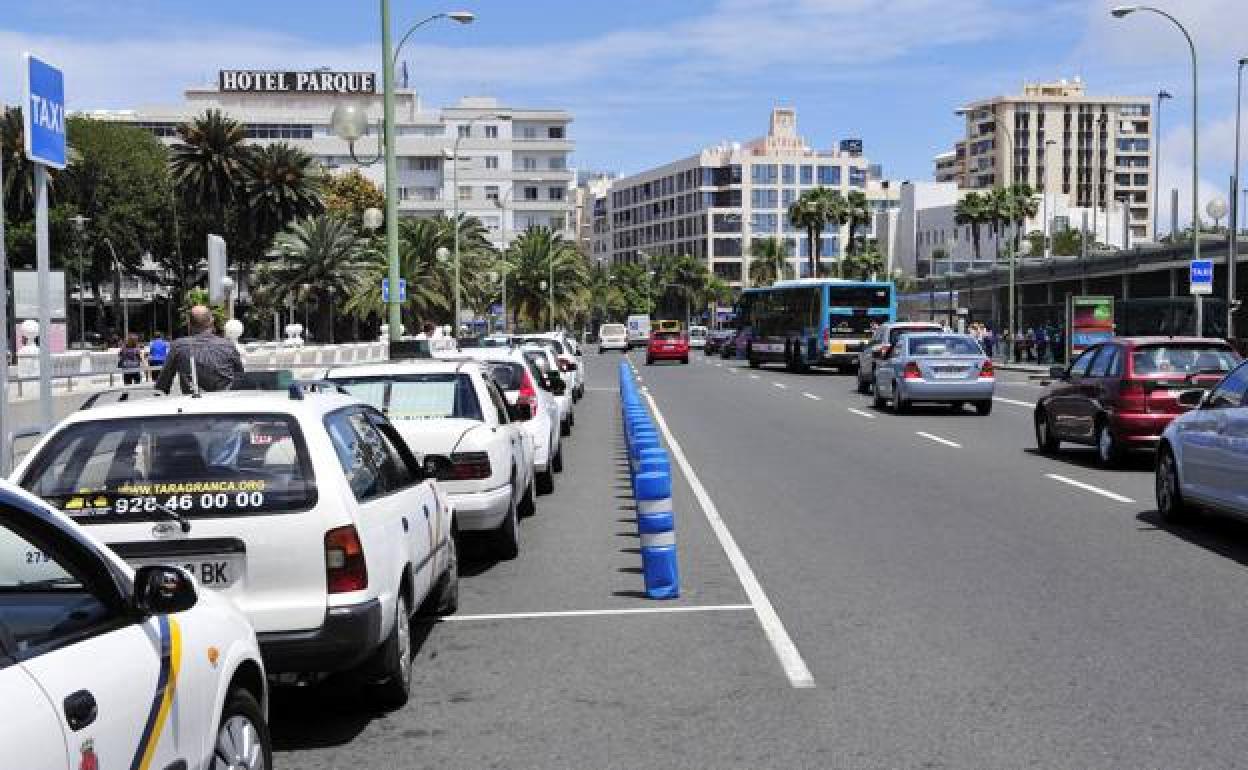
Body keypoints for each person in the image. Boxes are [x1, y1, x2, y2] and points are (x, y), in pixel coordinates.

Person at [155, 305, 244, 394]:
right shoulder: (228, 346)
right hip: (224, 404)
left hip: (194, 405)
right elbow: (240, 379)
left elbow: (162, 386)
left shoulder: (178, 347)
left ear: (189, 324)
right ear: (211, 322)